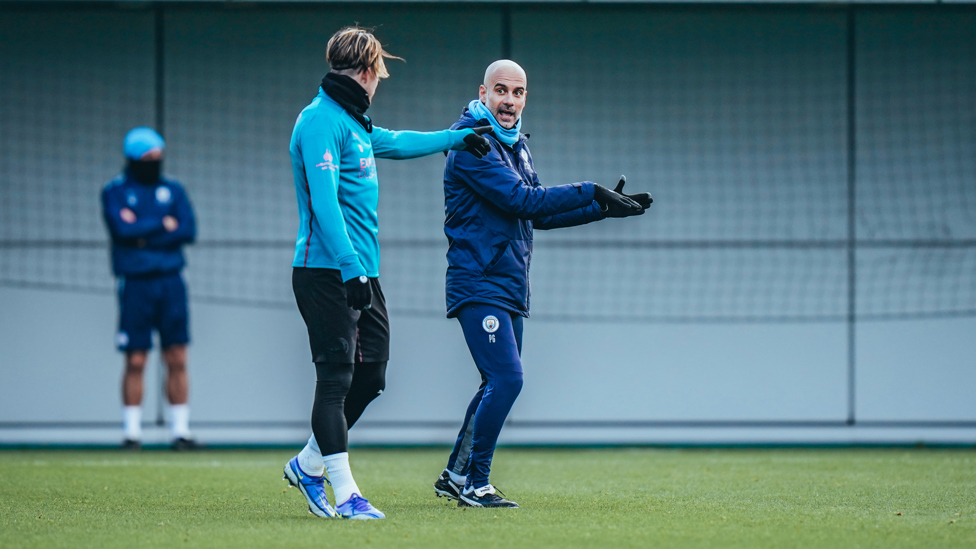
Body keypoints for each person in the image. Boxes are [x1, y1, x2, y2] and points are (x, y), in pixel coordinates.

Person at [281, 27, 493, 520]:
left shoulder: (354, 122)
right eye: (380, 73)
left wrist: (457, 139)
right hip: (327, 271)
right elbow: (324, 201)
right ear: (369, 70)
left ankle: (309, 464)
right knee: (334, 380)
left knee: (371, 377)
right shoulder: (318, 121)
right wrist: (351, 267)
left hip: (362, 272)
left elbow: (394, 142)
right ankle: (346, 493)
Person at [432, 60, 653, 508]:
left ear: (525, 97)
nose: (509, 101)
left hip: (510, 284)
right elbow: (521, 199)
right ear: (483, 92)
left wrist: (604, 209)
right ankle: (477, 484)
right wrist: (591, 189)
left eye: (518, 93)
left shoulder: (515, 147)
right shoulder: (473, 145)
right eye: (501, 91)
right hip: (479, 282)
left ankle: (455, 474)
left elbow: (538, 214)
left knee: (494, 382)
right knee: (507, 379)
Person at [101, 127, 198, 451]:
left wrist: (143, 231)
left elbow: (187, 229)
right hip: (135, 284)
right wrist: (162, 224)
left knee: (177, 356)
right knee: (136, 359)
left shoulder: (173, 190)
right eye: (147, 159)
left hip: (171, 282)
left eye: (158, 158)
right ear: (132, 159)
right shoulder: (114, 191)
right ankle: (132, 434)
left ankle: (180, 432)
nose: (154, 163)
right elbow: (121, 230)